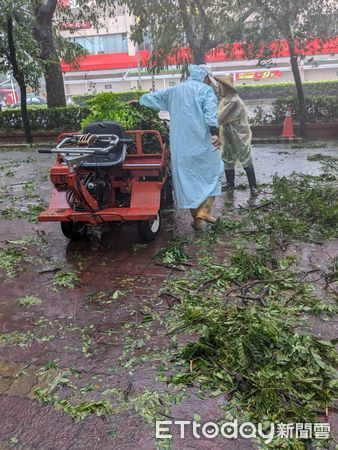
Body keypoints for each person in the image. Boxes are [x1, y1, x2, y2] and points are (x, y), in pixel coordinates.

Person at [139, 64, 224, 230]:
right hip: (202, 141)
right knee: (216, 171)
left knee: (188, 179)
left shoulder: (175, 90)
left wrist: (141, 100)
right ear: (206, 77)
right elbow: (210, 113)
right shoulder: (205, 91)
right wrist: (214, 132)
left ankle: (198, 221)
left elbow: (154, 98)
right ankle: (205, 211)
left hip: (181, 146)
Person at [215, 74, 258, 195]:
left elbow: (220, 118)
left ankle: (253, 186)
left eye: (220, 87)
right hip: (229, 134)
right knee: (227, 156)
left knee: (245, 157)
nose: (218, 89)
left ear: (227, 88)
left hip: (239, 135)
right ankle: (230, 183)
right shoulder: (227, 99)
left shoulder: (233, 101)